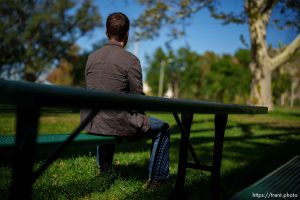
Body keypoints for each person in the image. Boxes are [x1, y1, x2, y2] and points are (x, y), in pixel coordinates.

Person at [80, 12, 170, 188]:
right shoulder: (131, 60)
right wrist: (140, 116)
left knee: (106, 117)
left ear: (107, 32)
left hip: (91, 121)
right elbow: (137, 99)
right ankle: (157, 180)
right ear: (127, 34)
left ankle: (104, 172)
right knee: (164, 128)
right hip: (115, 121)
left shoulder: (91, 58)